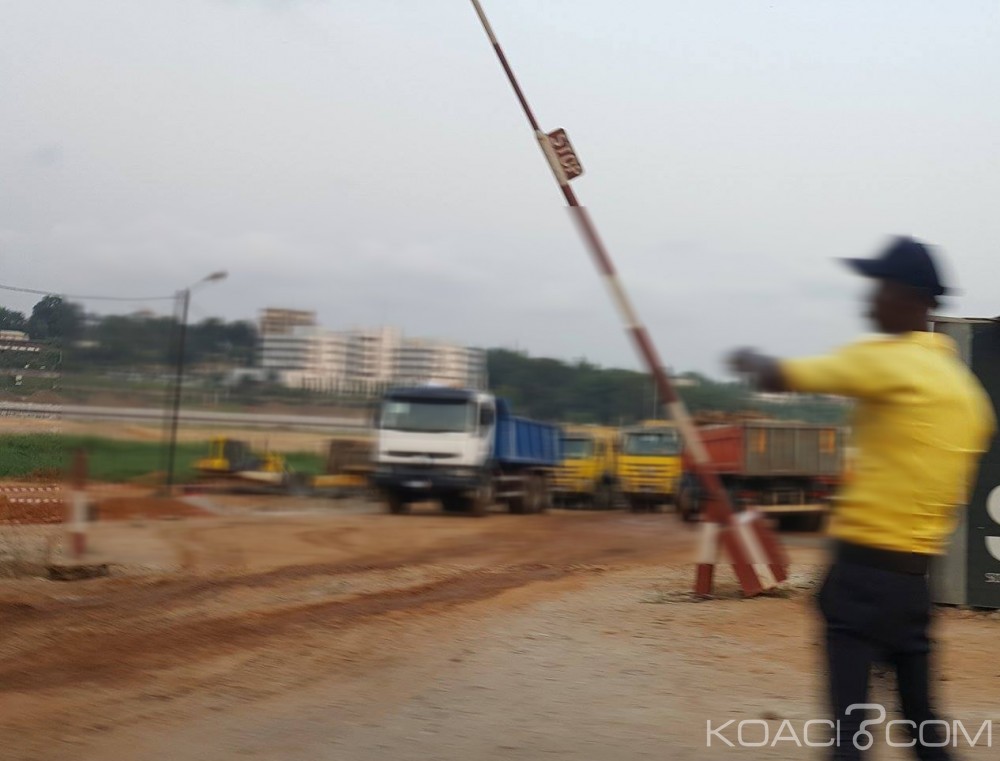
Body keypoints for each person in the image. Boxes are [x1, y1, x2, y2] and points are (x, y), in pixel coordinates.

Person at [728, 236, 996, 760]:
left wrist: (749, 357)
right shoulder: (969, 397)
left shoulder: (887, 361)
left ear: (908, 297)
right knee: (924, 732)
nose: (868, 300)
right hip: (913, 586)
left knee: (849, 735)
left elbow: (793, 375)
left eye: (878, 288)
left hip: (860, 580)